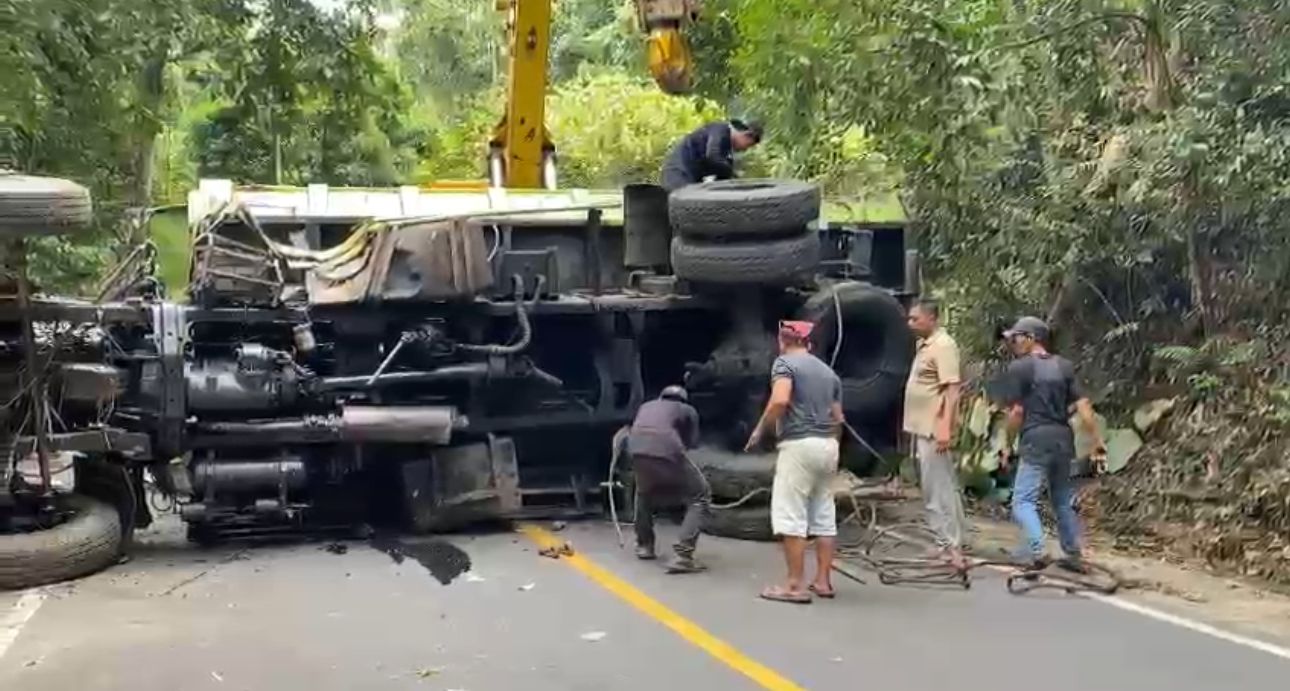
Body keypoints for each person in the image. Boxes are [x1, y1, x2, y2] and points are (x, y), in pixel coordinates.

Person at [745, 321, 844, 603]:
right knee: (824, 514)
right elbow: (839, 417)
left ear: (782, 341)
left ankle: (793, 586)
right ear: (809, 343)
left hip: (800, 444)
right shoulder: (828, 372)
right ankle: (823, 581)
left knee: (791, 515)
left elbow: (779, 401)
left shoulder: (784, 364)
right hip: (829, 445)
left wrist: (761, 429)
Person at [1000, 316, 1106, 572]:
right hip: (1063, 438)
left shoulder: (1021, 368)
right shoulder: (1064, 366)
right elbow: (1084, 407)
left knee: (1023, 501)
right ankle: (1072, 553)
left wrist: (1006, 443)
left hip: (1036, 438)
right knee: (1061, 498)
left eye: (1016, 337)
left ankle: (1037, 550)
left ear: (1031, 338)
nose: (1013, 343)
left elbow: (1016, 413)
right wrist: (1097, 441)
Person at [903, 299, 969, 569]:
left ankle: (949, 546)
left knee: (938, 488)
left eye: (915, 319)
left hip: (933, 427)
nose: (911, 324)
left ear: (932, 319)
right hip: (922, 425)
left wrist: (945, 427)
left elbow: (952, 390)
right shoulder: (925, 345)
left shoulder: (943, 346)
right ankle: (946, 541)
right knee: (937, 485)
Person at [624, 385, 710, 574]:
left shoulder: (646, 406)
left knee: (644, 493)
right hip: (667, 449)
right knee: (700, 496)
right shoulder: (687, 410)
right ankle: (683, 556)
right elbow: (691, 443)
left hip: (636, 450)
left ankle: (645, 546)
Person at [660, 119, 763, 192]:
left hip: (691, 179)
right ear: (746, 134)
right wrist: (730, 171)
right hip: (678, 173)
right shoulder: (721, 129)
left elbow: (723, 178)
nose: (744, 150)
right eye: (748, 145)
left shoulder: (726, 151)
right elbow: (713, 155)